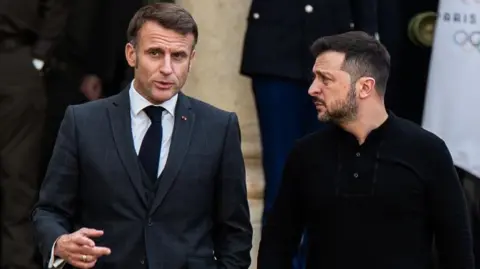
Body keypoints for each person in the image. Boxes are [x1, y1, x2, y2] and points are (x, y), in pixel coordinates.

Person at [32, 3, 253, 269]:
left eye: (178, 56)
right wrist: (60, 241)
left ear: (191, 60)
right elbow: (49, 210)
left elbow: (235, 234)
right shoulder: (83, 122)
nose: (167, 68)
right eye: (155, 53)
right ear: (131, 54)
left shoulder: (220, 127)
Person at [256, 31, 475, 269]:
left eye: (325, 79)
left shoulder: (427, 151)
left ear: (365, 87)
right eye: (314, 78)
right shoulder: (305, 154)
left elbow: (456, 249)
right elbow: (276, 245)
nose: (312, 89)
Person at [240, 2, 377, 267]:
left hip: (339, 56)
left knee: (328, 176)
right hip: (277, 51)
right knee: (280, 177)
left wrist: (368, 55)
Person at [0, 0, 68, 268]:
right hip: (20, 62)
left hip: (17, 61)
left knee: (18, 172)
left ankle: (16, 259)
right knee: (18, 170)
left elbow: (57, 8)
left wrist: (38, 57)